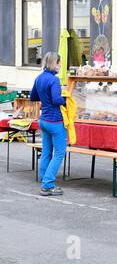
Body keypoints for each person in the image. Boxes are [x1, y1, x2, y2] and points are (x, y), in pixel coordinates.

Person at [30, 52, 67, 196]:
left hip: (43, 120)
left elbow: (33, 97)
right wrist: (66, 100)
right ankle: (47, 185)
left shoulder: (39, 78)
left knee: (46, 151)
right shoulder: (54, 80)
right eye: (59, 63)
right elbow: (57, 100)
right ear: (54, 63)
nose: (60, 65)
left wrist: (44, 98)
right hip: (55, 121)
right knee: (59, 153)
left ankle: (43, 178)